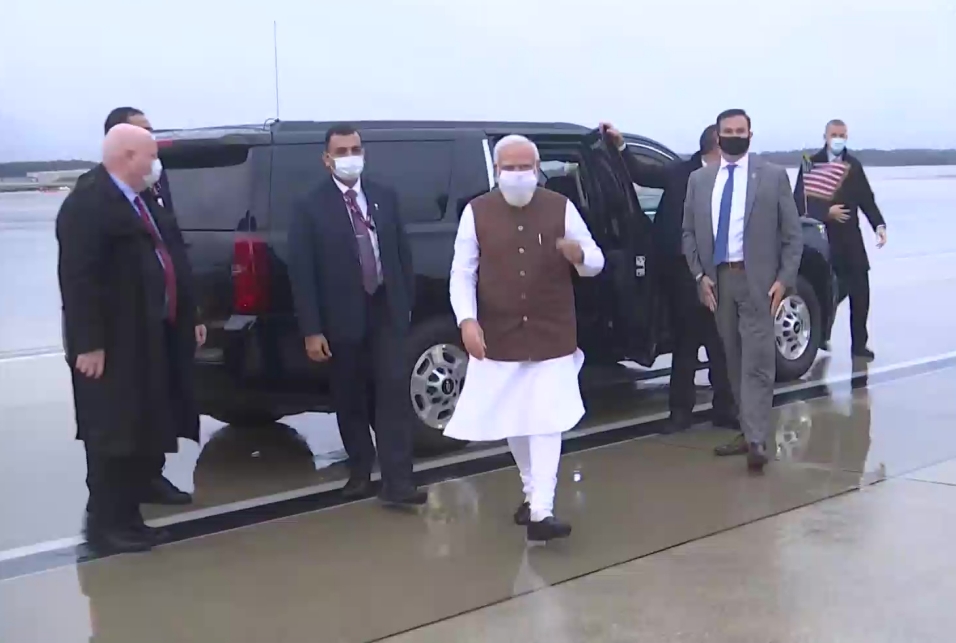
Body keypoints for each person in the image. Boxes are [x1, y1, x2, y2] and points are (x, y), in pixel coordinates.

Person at [445, 134, 605, 540]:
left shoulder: (560, 207)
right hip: (499, 333)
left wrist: (580, 256)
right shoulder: (476, 211)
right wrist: (467, 320)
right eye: (510, 168)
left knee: (548, 418)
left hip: (552, 331)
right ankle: (534, 496)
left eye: (525, 167)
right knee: (516, 417)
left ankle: (542, 512)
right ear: (496, 171)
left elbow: (596, 259)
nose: (518, 175)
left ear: (538, 170)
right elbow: (462, 272)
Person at [57, 124, 201, 553]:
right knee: (112, 437)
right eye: (150, 155)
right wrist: (89, 343)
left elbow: (168, 259)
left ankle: (130, 519)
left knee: (140, 432)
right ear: (127, 157)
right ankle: (107, 526)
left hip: (147, 336)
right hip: (111, 345)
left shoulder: (140, 202)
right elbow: (78, 281)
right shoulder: (88, 204)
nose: (157, 164)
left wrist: (185, 312)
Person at [286, 123, 426, 507]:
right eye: (342, 151)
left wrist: (404, 303)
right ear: (327, 159)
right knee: (350, 398)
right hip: (341, 316)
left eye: (356, 149)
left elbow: (401, 255)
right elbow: (302, 273)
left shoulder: (384, 197)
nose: (351, 157)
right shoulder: (309, 207)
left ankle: (399, 482)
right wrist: (312, 330)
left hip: (384, 309)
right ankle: (361, 471)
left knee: (393, 393)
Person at [682, 109, 803, 472]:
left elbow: (792, 236)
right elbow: (687, 232)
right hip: (719, 281)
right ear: (717, 137)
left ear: (751, 134)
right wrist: (699, 276)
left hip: (759, 282)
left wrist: (784, 280)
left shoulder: (772, 177)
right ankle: (748, 429)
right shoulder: (700, 181)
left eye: (741, 130)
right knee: (731, 359)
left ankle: (757, 439)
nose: (734, 135)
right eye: (727, 131)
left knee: (759, 362)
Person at [601, 122, 737, 436]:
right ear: (715, 144)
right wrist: (620, 145)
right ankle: (680, 413)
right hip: (683, 273)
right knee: (686, 344)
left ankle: (725, 409)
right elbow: (640, 173)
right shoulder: (679, 173)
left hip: (724, 273)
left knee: (722, 345)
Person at [99, 106, 201, 506]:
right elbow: (82, 276)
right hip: (125, 324)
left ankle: (151, 475)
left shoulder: (156, 187)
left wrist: (190, 312)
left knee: (160, 397)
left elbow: (174, 251)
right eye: (143, 134)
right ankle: (114, 496)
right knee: (124, 411)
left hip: (165, 315)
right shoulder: (101, 198)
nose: (152, 142)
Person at [794, 118, 887, 359]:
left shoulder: (853, 165)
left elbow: (866, 198)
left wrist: (878, 224)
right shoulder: (809, 163)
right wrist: (825, 213)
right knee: (830, 290)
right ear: (825, 136)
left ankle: (859, 344)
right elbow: (798, 202)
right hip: (821, 239)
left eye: (842, 134)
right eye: (834, 134)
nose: (838, 138)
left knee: (861, 291)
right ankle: (821, 334)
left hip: (851, 239)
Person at [103, 107, 174, 210]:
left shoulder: (156, 179)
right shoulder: (92, 196)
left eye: (150, 132)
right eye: (143, 132)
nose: (150, 137)